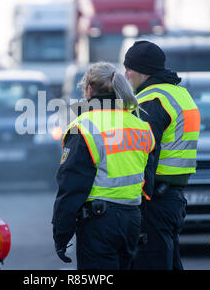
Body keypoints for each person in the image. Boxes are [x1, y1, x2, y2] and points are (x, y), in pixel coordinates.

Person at [52, 62, 155, 269]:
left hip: (99, 224)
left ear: (90, 89)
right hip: (132, 220)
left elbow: (71, 187)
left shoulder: (83, 127)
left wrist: (61, 235)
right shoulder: (141, 126)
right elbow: (147, 181)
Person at [123, 40, 201, 270]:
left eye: (129, 69)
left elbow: (144, 152)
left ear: (144, 71)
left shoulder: (151, 101)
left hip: (153, 199)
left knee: (151, 262)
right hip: (172, 198)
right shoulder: (179, 93)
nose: (125, 74)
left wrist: (136, 197)